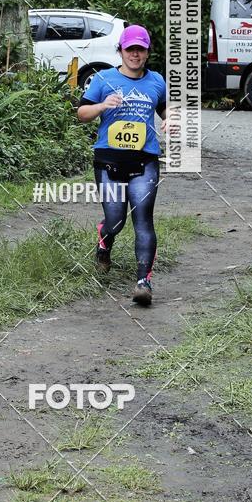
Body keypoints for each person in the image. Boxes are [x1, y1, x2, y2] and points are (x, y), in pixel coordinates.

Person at [76, 25, 167, 306]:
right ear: (121, 51)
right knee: (115, 220)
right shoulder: (104, 79)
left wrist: (171, 120)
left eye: (140, 49)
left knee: (143, 220)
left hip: (145, 160)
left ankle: (143, 283)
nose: (135, 54)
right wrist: (103, 106)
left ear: (147, 53)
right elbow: (82, 114)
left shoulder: (157, 81)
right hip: (108, 161)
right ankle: (104, 244)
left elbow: (165, 108)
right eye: (130, 49)